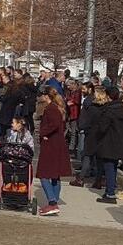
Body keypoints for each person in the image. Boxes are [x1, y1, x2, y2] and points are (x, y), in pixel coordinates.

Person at [88, 86, 123, 204]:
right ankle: (110, 190)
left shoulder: (109, 111)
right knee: (113, 167)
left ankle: (110, 193)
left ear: (109, 96)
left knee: (109, 168)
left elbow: (102, 128)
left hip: (109, 142)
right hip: (121, 141)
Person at [35, 87, 71, 216]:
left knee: (44, 174)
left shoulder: (51, 108)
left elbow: (54, 124)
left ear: (46, 96)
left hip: (51, 145)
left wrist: (44, 133)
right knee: (55, 175)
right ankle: (54, 202)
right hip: (57, 144)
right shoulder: (57, 107)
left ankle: (52, 202)